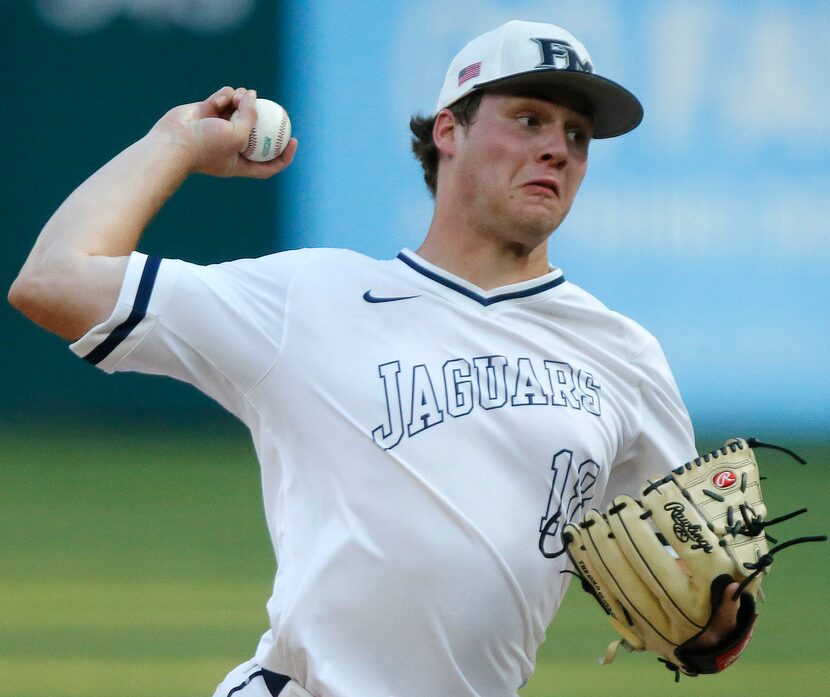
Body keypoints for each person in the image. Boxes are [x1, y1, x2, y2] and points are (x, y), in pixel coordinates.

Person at [9, 19, 743, 697]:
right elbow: (53, 280)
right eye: (529, 120)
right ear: (449, 131)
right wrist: (175, 143)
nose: (558, 147)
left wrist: (719, 624)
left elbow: (701, 602)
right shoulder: (309, 297)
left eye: (578, 135)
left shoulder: (623, 355)